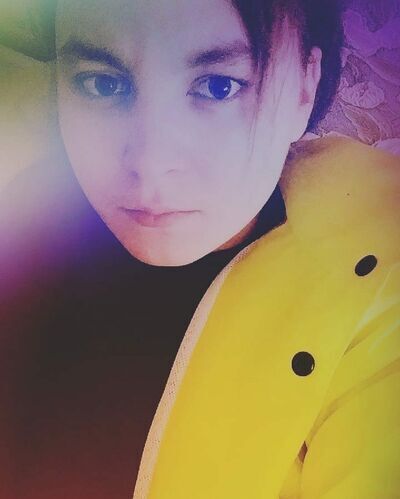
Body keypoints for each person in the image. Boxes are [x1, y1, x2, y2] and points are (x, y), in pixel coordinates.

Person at [0, 0, 399, 498]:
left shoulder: (379, 297)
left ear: (304, 88)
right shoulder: (29, 210)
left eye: (218, 86)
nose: (150, 163)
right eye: (102, 83)